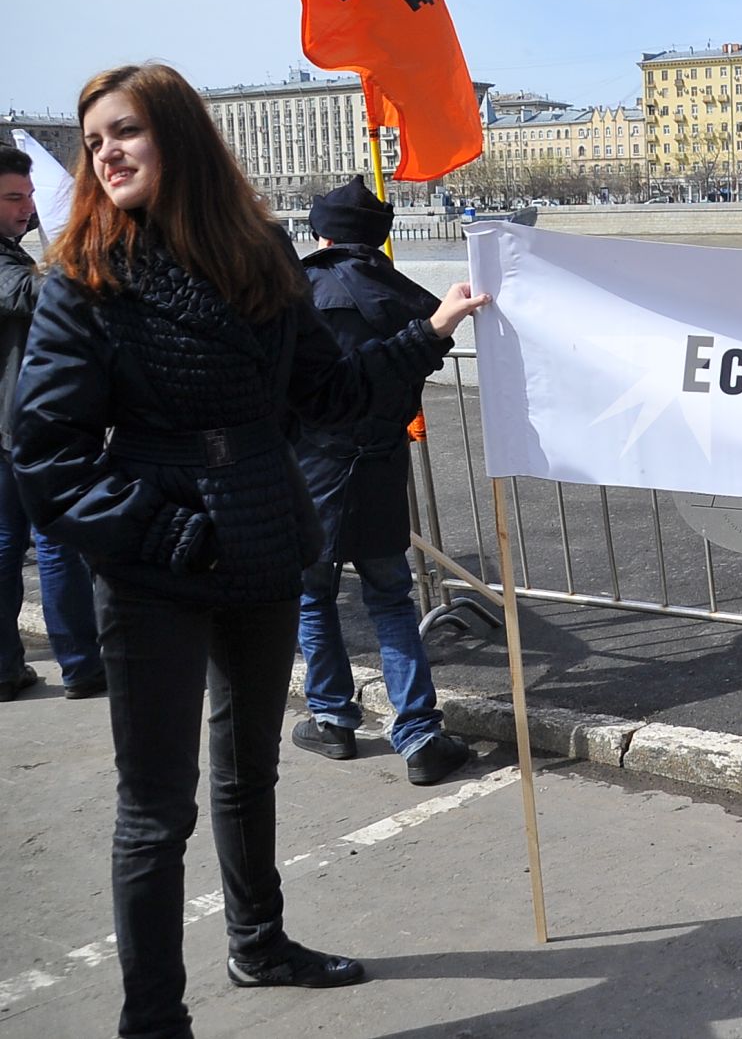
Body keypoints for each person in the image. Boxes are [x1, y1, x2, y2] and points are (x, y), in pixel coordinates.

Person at [11, 63, 488, 1039]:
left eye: (124, 131)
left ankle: (259, 941)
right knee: (155, 809)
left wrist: (433, 329)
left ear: (179, 138)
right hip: (155, 563)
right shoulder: (83, 276)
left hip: (266, 541)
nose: (104, 152)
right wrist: (162, 529)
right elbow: (45, 453)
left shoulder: (260, 261)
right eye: (91, 139)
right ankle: (154, 1021)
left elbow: (331, 396)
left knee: (248, 771)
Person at [290, 175, 469, 786]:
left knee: (313, 597)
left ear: (320, 234)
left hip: (312, 469)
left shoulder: (298, 291)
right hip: (381, 467)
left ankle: (333, 720)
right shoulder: (410, 300)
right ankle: (419, 736)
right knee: (392, 599)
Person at [0, 146, 102, 701]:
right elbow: (25, 293)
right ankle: (81, 665)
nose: (28, 208)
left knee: (14, 544)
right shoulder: (8, 265)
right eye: (15, 197)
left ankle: (11, 668)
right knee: (55, 542)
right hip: (23, 429)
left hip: (16, 427)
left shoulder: (13, 253)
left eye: (31, 197)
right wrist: (81, 252)